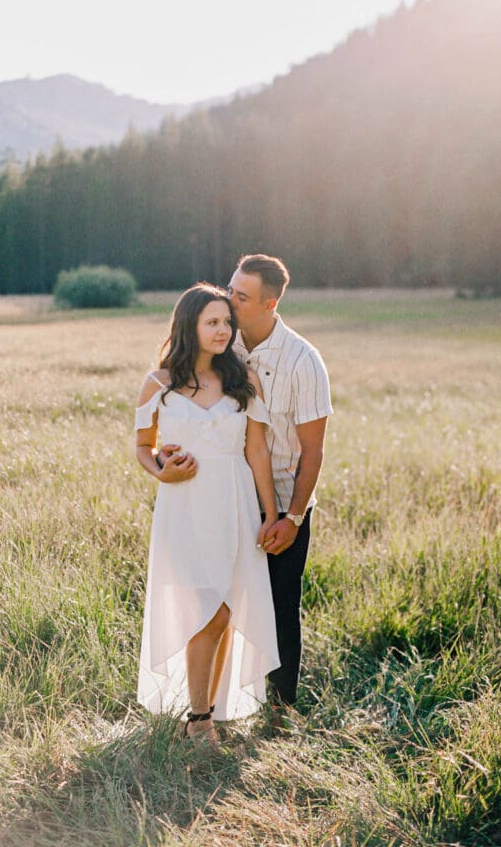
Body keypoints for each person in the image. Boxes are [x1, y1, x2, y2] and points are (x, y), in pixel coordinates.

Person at [161, 254, 332, 711]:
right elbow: (179, 405)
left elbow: (312, 451)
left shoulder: (303, 360)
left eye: (240, 295)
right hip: (223, 497)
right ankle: (206, 708)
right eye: (231, 288)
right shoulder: (222, 344)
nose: (229, 299)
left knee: (277, 609)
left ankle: (280, 713)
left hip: (282, 503)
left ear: (270, 302)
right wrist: (163, 455)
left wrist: (291, 518)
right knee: (215, 606)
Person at [134, 283, 280, 744]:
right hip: (185, 506)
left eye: (226, 322)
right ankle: (199, 722)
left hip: (235, 502)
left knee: (226, 612)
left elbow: (256, 451)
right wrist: (163, 472)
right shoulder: (158, 384)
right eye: (212, 322)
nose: (222, 330)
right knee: (204, 608)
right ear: (189, 326)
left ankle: (203, 715)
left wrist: (273, 515)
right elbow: (143, 449)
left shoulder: (243, 382)